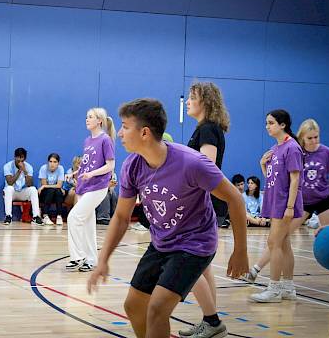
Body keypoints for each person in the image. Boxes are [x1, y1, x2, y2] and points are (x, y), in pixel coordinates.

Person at [87, 98, 248, 338]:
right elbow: (120, 217)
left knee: (157, 308)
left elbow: (235, 199)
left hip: (195, 243)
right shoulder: (132, 166)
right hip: (162, 242)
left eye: (125, 127)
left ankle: (211, 321)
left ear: (144, 132)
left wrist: (240, 250)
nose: (119, 133)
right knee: (134, 306)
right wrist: (103, 260)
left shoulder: (191, 162)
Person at [246, 118, 329, 289]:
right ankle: (255, 270)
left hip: (323, 199)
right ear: (302, 137)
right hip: (302, 201)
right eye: (310, 138)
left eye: (316, 137)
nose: (314, 141)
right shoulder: (294, 151)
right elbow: (278, 178)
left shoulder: (326, 152)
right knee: (280, 237)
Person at [182, 82, 230, 337]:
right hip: (203, 204)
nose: (188, 102)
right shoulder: (203, 129)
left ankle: (212, 322)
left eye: (192, 97)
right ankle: (210, 320)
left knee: (191, 265)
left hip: (204, 205)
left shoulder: (209, 129)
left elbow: (206, 168)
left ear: (206, 102)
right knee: (204, 266)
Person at [248, 110, 304, 302]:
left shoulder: (292, 147)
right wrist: (263, 165)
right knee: (284, 243)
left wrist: (290, 207)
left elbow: (295, 179)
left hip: (284, 203)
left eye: (271, 123)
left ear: (283, 125)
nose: (267, 126)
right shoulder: (275, 148)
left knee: (274, 243)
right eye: (266, 123)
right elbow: (274, 179)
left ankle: (274, 289)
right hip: (275, 200)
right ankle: (288, 287)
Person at [66, 107, 116, 272]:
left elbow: (110, 165)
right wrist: (75, 173)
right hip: (84, 185)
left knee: (74, 217)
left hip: (98, 185)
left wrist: (92, 174)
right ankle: (91, 260)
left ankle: (78, 257)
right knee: (87, 224)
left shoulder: (105, 140)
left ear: (99, 121)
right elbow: (86, 164)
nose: (87, 119)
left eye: (90, 117)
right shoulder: (88, 141)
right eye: (87, 117)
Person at [3, 147, 43, 226]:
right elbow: (10, 182)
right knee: (9, 188)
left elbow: (30, 184)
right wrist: (19, 171)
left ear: (25, 158)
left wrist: (25, 171)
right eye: (18, 157)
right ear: (14, 157)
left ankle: (36, 216)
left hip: (22, 192)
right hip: (12, 193)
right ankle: (8, 216)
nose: (19, 159)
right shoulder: (7, 166)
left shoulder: (29, 167)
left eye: (22, 157)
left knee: (33, 189)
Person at [38, 153, 65, 225]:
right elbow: (44, 184)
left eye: (55, 162)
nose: (52, 164)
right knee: (52, 190)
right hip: (43, 194)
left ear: (58, 163)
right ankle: (45, 215)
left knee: (58, 191)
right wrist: (45, 186)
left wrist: (45, 186)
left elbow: (59, 185)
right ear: (48, 162)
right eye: (50, 161)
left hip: (55, 193)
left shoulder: (60, 168)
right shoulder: (43, 168)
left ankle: (59, 216)